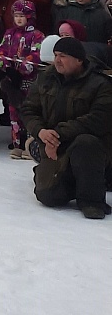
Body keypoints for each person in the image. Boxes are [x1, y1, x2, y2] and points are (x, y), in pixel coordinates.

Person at [23, 36, 112, 218]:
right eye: (56, 55)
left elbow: (98, 119)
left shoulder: (100, 84)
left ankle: (91, 200)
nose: (57, 60)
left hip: (91, 147)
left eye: (63, 56)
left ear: (79, 59)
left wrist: (57, 134)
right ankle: (57, 175)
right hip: (54, 145)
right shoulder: (45, 78)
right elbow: (28, 109)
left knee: (86, 142)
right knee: (47, 196)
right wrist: (41, 132)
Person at [0, 0, 43, 158]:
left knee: (29, 112)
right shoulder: (9, 33)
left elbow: (36, 56)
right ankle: (17, 143)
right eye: (16, 16)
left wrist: (22, 69)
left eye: (22, 16)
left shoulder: (36, 35)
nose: (18, 19)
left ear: (29, 17)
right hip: (12, 81)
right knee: (14, 113)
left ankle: (30, 145)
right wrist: (8, 68)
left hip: (30, 81)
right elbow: (1, 51)